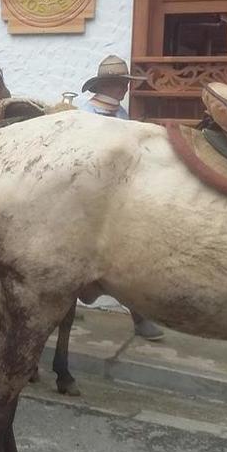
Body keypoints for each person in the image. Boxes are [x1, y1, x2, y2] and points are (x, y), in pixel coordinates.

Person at [76, 54, 166, 342]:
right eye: (120, 84)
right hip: (87, 198)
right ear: (110, 85)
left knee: (124, 258)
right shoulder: (85, 116)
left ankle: (139, 316)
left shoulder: (121, 115)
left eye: (124, 84)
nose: (124, 89)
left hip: (120, 198)